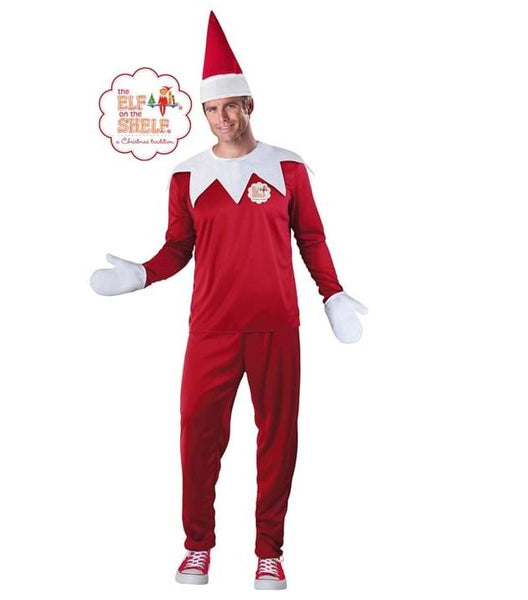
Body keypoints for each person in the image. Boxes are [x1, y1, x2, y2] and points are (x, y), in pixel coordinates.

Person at [90, 11, 367, 590]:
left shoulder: (288, 168)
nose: (223, 117)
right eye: (213, 109)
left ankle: (269, 551)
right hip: (212, 329)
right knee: (197, 434)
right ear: (205, 113)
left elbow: (311, 237)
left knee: (278, 438)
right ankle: (197, 546)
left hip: (275, 326)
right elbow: (178, 248)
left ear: (248, 105)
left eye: (231, 106)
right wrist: (142, 274)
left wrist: (333, 294)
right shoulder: (186, 178)